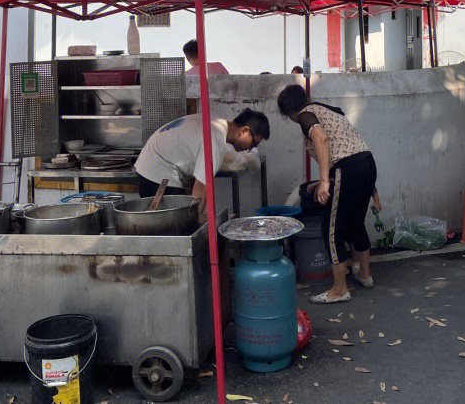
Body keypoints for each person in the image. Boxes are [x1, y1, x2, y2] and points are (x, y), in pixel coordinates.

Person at [277, 84, 377, 303]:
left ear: (289, 111)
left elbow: (321, 139)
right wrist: (328, 180)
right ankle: (365, 275)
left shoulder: (305, 115)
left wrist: (324, 182)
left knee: (331, 229)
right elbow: (349, 151)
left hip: (347, 168)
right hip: (367, 164)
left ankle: (340, 289)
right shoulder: (330, 111)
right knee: (356, 222)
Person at [133, 109, 269, 205]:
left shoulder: (216, 121)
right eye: (254, 143)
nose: (251, 148)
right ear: (244, 131)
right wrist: (195, 229)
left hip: (148, 165)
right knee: (174, 229)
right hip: (158, 174)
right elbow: (200, 188)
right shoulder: (216, 140)